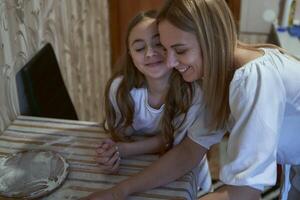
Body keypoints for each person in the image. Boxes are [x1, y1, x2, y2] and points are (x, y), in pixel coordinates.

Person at [156, 0, 300, 200]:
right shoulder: (218, 77)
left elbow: (244, 194)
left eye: (180, 51)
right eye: (165, 49)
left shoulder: (254, 79)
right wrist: (121, 190)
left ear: (212, 40)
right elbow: (189, 151)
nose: (169, 62)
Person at [81, 9, 211, 200]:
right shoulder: (120, 90)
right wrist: (109, 152)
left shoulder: (193, 93)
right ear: (130, 55)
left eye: (158, 44)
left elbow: (174, 144)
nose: (150, 53)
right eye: (140, 48)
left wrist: (123, 150)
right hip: (142, 172)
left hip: (191, 181)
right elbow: (120, 134)